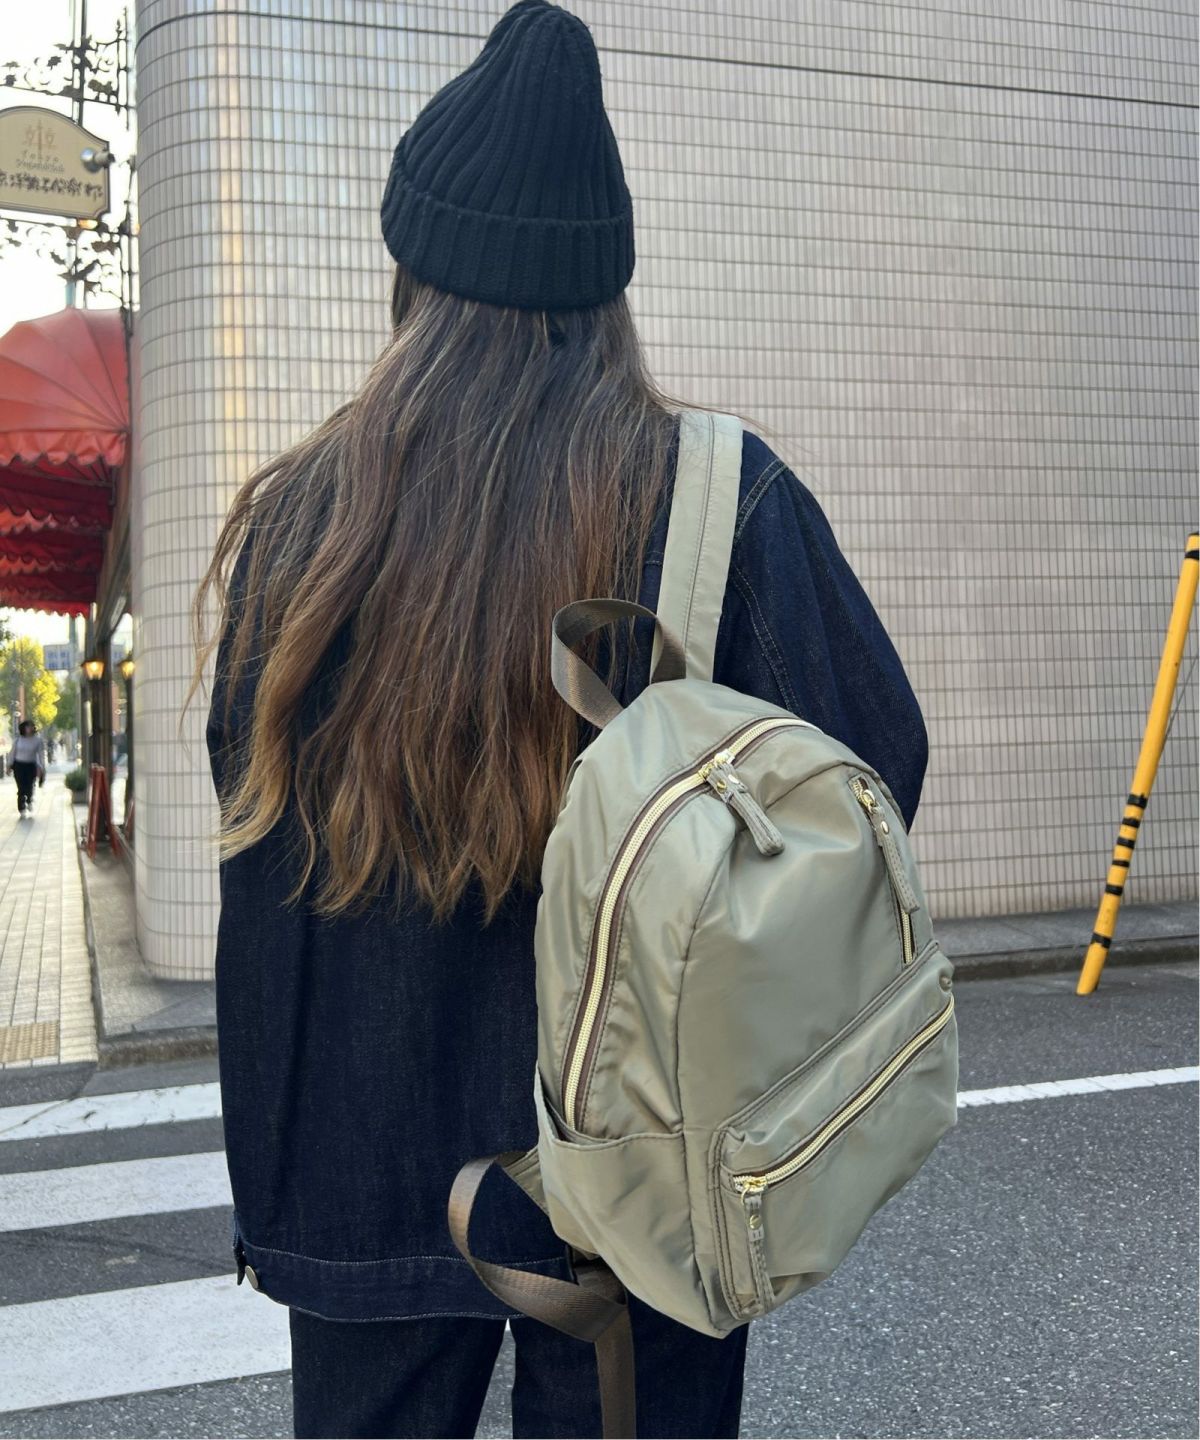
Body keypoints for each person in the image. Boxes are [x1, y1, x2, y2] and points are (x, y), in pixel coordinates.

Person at [194, 3, 929, 1436]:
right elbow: (871, 770)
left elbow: (253, 833)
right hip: (650, 1154)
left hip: (355, 1149)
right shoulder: (717, 499)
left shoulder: (301, 525)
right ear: (605, 295)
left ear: (410, 275)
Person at [9, 720, 45, 819]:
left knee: (30, 785)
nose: (30, 728)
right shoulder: (18, 740)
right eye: (28, 726)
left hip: (31, 765)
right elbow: (12, 753)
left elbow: (41, 755)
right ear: (23, 728)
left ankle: (29, 800)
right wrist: (9, 765)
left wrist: (41, 767)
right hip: (19, 766)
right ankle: (21, 806)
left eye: (31, 726)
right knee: (21, 786)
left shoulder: (37, 741)